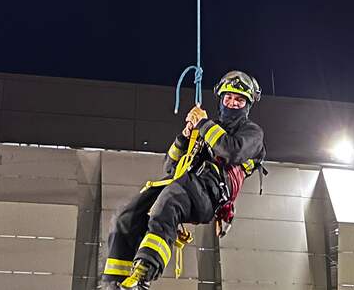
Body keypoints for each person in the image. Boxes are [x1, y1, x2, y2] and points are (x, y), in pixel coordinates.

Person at [100, 70, 266, 289]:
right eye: (228, 97)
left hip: (209, 193)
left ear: (247, 105)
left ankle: (143, 274)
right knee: (126, 215)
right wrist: (185, 136)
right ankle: (115, 283)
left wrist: (204, 124)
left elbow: (231, 151)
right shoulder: (206, 127)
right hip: (184, 184)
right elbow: (170, 167)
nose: (232, 103)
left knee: (170, 198)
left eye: (239, 99)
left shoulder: (252, 132)